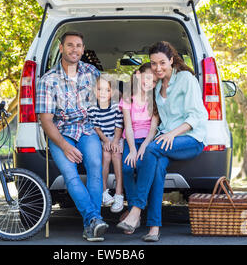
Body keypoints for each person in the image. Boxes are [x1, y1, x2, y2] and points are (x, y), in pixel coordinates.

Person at [117, 41, 208, 242]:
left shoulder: (186, 79)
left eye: (162, 63)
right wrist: (164, 135)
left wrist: (171, 134)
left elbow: (197, 116)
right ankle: (154, 228)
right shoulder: (156, 88)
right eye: (154, 63)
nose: (158, 68)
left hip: (190, 138)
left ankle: (136, 210)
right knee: (157, 168)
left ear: (172, 60)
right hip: (166, 139)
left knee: (150, 149)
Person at [36, 31, 109, 242]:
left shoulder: (92, 72)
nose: (74, 49)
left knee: (95, 166)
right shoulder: (48, 80)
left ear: (83, 50)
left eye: (78, 45)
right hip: (61, 132)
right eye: (70, 45)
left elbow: (106, 102)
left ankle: (92, 224)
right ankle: (94, 220)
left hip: (88, 129)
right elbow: (46, 120)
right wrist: (64, 146)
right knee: (70, 174)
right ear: (61, 48)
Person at [118, 63, 160, 234]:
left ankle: (134, 213)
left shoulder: (156, 100)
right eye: (148, 77)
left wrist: (143, 147)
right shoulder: (128, 98)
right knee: (127, 169)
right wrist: (133, 149)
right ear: (137, 75)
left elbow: (153, 128)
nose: (150, 83)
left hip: (147, 140)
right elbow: (127, 126)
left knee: (143, 168)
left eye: (155, 81)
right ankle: (135, 211)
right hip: (130, 139)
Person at [87, 75, 124, 213]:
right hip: (103, 138)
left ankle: (119, 193)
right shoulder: (92, 108)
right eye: (99, 89)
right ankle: (103, 192)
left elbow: (119, 126)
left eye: (107, 90)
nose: (102, 93)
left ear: (112, 92)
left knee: (116, 155)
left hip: (117, 136)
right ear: (94, 90)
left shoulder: (116, 106)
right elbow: (96, 127)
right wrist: (105, 141)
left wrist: (114, 141)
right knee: (105, 157)